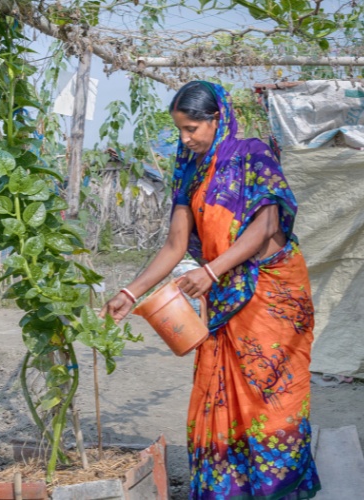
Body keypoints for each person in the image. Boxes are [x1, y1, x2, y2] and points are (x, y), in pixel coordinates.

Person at [101, 81, 321, 499]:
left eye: (192, 129)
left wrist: (213, 271)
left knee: (274, 396)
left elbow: (267, 226)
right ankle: (232, 490)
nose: (186, 139)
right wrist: (130, 293)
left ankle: (279, 489)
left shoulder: (251, 154)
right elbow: (174, 245)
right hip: (225, 297)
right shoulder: (189, 171)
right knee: (222, 397)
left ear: (216, 119)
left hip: (271, 294)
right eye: (180, 130)